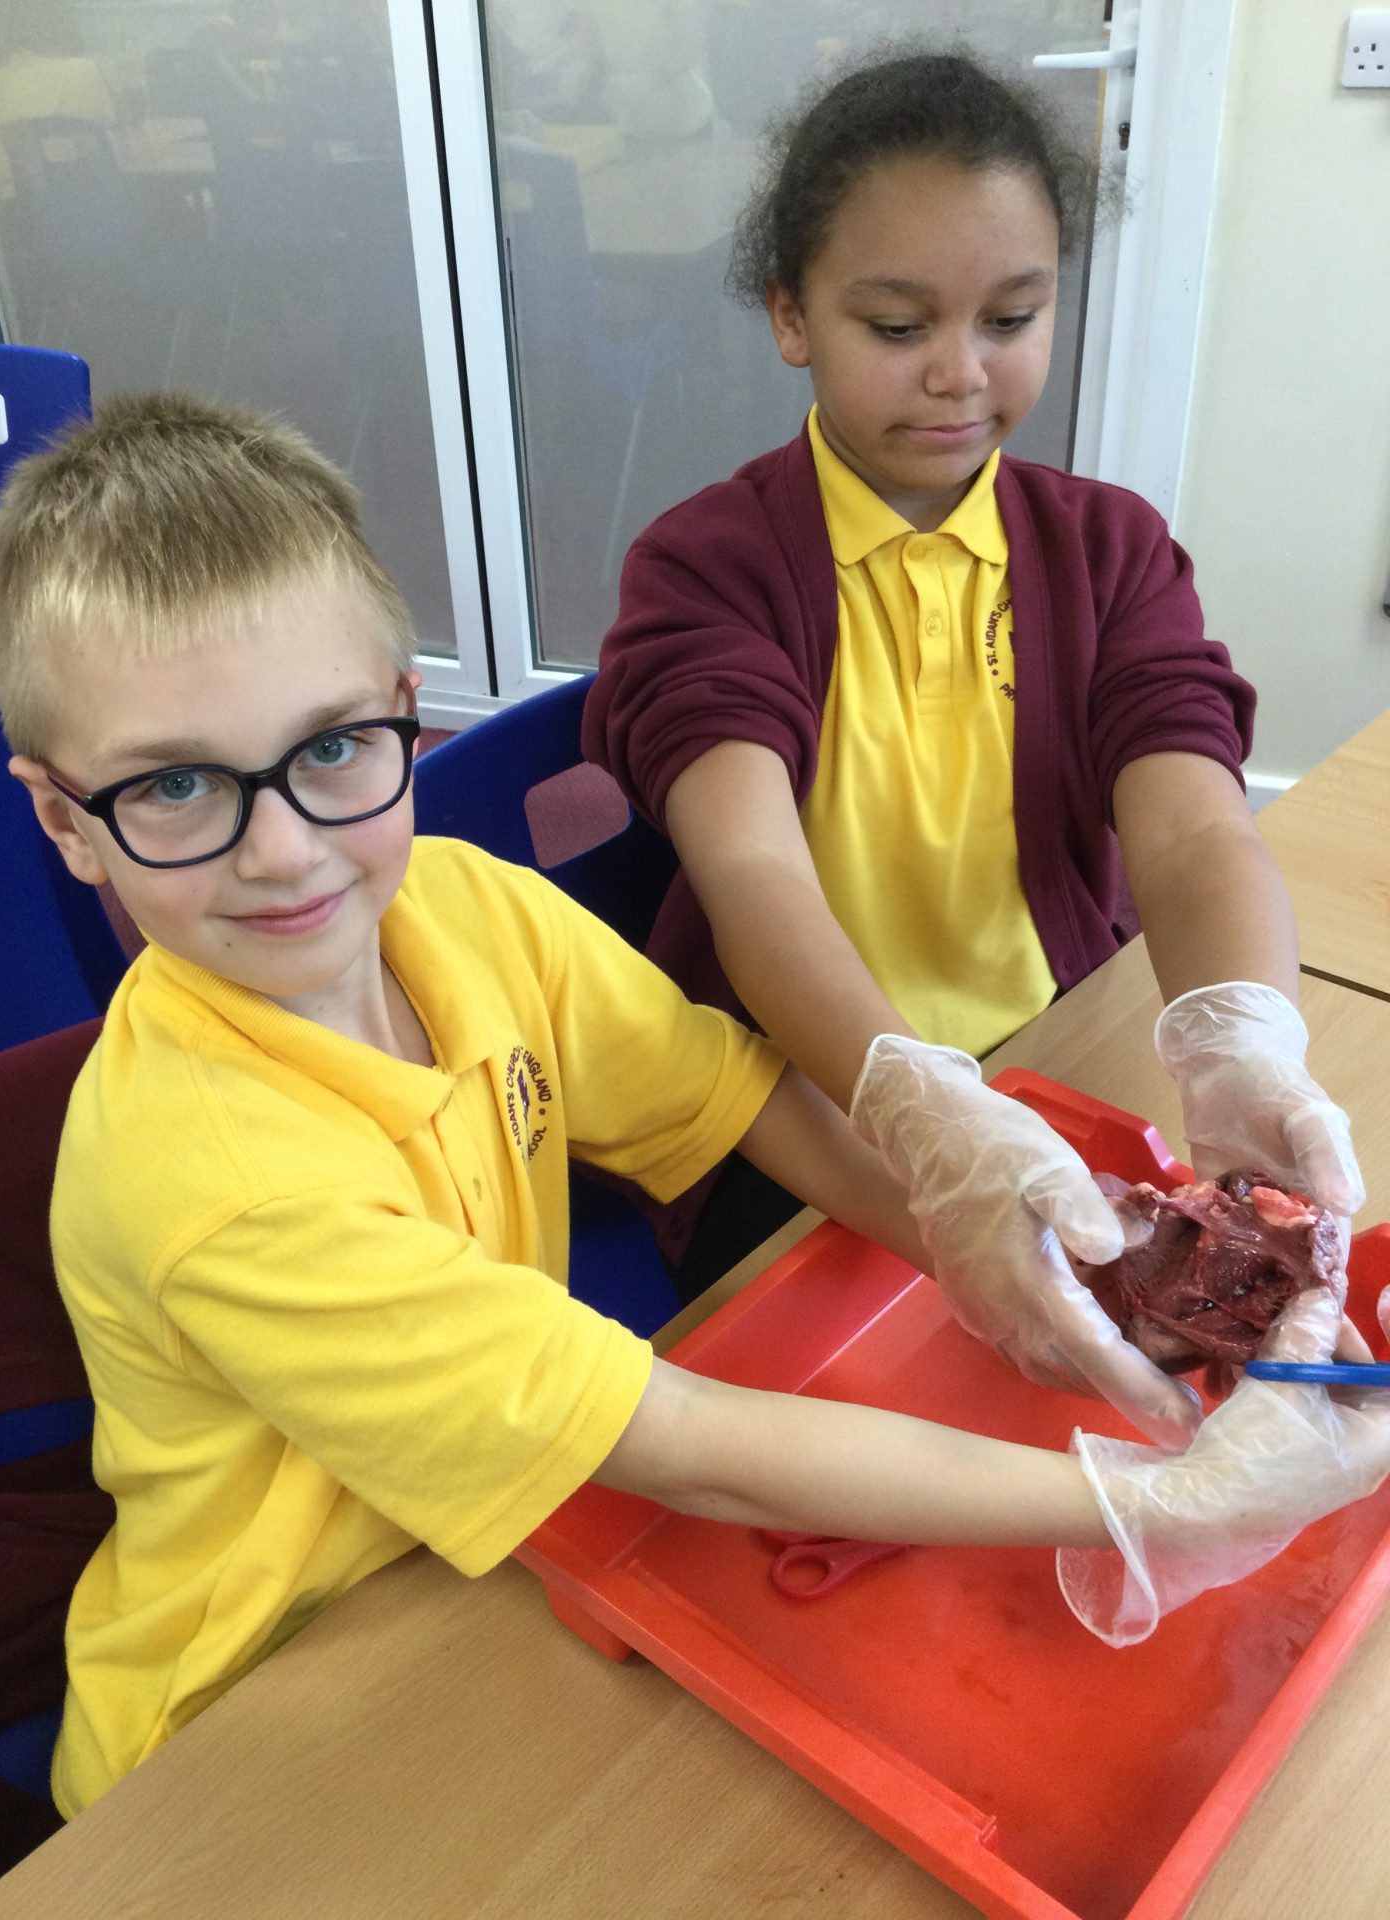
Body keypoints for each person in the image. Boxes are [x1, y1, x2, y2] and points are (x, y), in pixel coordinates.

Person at [0, 393, 1389, 1821]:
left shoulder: (468, 909)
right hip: (256, 1721)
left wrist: (995, 1240)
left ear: (406, 706)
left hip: (491, 1557)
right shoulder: (222, 1181)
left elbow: (733, 1096)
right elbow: (683, 1449)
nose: (286, 852)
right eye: (176, 784)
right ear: (60, 819)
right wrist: (1158, 1504)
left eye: (335, 748)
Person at [582, 46, 1366, 1425]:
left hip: (1060, 1056)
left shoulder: (1108, 552)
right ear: (791, 314)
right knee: (883, 1415)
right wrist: (914, 1102)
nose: (960, 375)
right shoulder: (708, 569)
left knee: (1159, 1382)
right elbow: (750, 873)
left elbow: (1190, 823)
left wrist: (1242, 1035)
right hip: (813, 1104)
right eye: (897, 326)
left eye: (1012, 317)